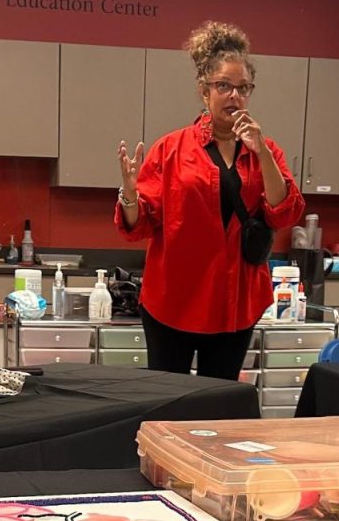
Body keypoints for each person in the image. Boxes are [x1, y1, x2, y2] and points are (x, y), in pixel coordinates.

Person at [114, 21, 304, 380]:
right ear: (205, 91)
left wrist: (262, 152)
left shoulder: (265, 150)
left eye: (243, 88)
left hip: (235, 301)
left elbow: (283, 213)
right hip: (174, 299)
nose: (235, 96)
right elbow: (140, 224)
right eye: (224, 86)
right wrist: (129, 193)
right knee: (168, 399)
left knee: (220, 399)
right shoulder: (171, 149)